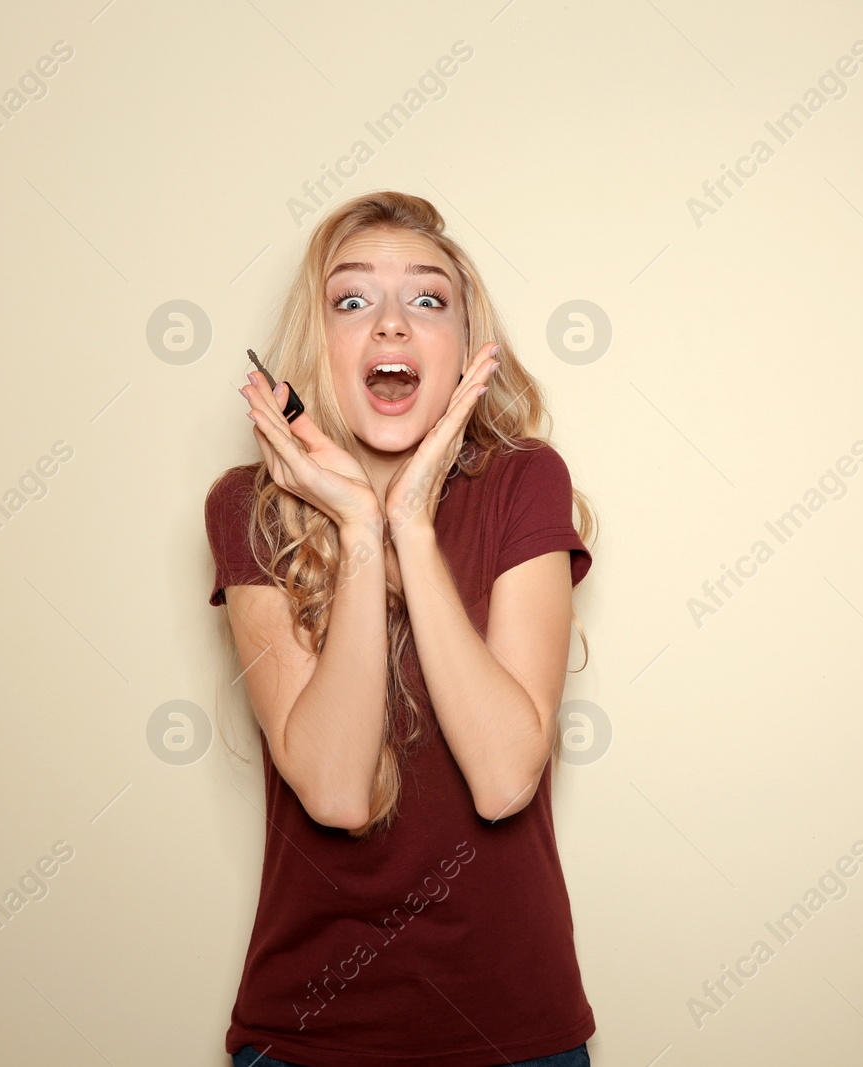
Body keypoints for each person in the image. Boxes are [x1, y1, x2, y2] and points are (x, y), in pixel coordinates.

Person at [205, 190, 598, 1067]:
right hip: (307, 1038)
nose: (390, 326)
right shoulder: (247, 509)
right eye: (353, 301)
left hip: (516, 1035)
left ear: (465, 351)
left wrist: (409, 524)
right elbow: (339, 792)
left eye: (427, 300)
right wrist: (354, 527)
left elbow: (503, 780)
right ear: (320, 346)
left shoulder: (523, 483)